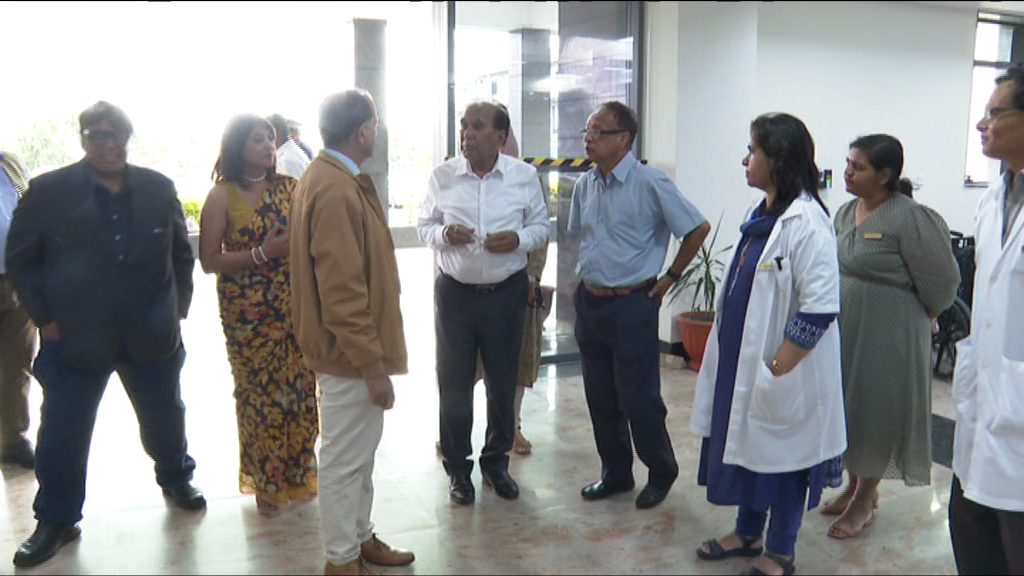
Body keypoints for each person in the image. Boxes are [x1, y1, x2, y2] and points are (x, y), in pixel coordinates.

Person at [5, 101, 205, 569]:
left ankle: (175, 476)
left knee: (165, 416)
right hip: (75, 338)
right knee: (63, 432)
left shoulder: (158, 188)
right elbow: (21, 259)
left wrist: (177, 311)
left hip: (152, 335)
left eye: (117, 135)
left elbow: (181, 253)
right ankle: (56, 519)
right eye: (97, 134)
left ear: (128, 138)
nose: (108, 144)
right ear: (83, 138)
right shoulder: (49, 191)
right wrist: (44, 318)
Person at [691, 113, 846, 576]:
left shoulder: (807, 223)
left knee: (784, 462)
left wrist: (776, 370)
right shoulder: (758, 217)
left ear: (777, 159)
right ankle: (747, 533)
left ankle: (780, 550)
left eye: (752, 151)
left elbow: (819, 310)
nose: (745, 160)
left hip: (784, 372)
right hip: (742, 364)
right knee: (749, 451)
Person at [289, 89, 414, 576]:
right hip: (349, 357)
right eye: (375, 125)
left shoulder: (329, 177)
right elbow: (342, 293)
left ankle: (360, 538)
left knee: (359, 455)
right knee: (344, 461)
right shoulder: (336, 188)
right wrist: (371, 366)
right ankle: (341, 561)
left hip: (349, 353)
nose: (376, 133)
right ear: (363, 131)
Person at [569, 100, 709, 510]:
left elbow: (697, 228)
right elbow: (581, 237)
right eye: (587, 131)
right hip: (591, 301)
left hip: (632, 303)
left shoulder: (651, 182)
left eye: (599, 131)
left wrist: (669, 278)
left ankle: (661, 471)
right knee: (600, 396)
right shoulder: (585, 184)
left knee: (638, 397)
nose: (589, 138)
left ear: (624, 139)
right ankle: (615, 473)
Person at [825, 134, 960, 539]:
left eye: (858, 167)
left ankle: (865, 499)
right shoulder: (845, 212)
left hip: (892, 331)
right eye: (848, 163)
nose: (848, 172)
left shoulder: (911, 218)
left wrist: (925, 315)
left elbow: (944, 281)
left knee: (879, 409)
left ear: (885, 175)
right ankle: (854, 485)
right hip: (848, 328)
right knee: (852, 407)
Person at [417, 100, 548, 505]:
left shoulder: (523, 176)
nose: (467, 134)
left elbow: (541, 227)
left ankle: (496, 464)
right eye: (464, 126)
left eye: (477, 126)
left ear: (501, 136)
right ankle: (458, 470)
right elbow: (424, 225)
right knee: (454, 384)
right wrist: (443, 236)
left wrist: (519, 240)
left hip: (505, 294)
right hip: (455, 296)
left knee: (502, 383)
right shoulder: (443, 176)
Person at [198, 114, 319, 513]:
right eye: (257, 140)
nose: (269, 145)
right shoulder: (222, 196)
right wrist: (262, 253)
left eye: (270, 138)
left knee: (300, 391)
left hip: (293, 305)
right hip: (248, 315)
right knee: (260, 398)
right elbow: (210, 260)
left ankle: (299, 473)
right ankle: (268, 480)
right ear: (237, 147)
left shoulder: (290, 188)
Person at [949, 64, 1024, 576]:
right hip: (985, 402)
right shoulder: (992, 199)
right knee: (971, 529)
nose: (982, 124)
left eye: (996, 113)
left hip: (1017, 409)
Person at [0, 151, 36, 470]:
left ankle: (13, 438)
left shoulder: (9, 164)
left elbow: (29, 213)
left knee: (17, 363)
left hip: (16, 281)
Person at [267, 113, 310, 178]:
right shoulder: (288, 153)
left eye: (268, 135)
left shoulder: (288, 160)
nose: (266, 140)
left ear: (277, 132)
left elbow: (294, 184)